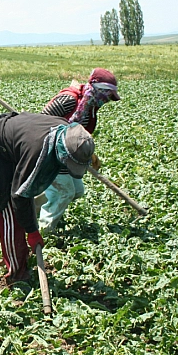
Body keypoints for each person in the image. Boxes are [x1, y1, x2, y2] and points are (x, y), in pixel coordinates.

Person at [0, 112, 95, 282]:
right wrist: (32, 231)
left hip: (15, 146)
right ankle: (16, 273)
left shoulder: (67, 132)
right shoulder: (37, 150)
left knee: (23, 203)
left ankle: (20, 258)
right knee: (8, 211)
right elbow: (19, 196)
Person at [37, 68, 120, 233]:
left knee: (77, 191)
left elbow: (79, 135)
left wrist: (89, 155)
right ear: (99, 90)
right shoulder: (68, 100)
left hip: (67, 156)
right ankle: (44, 232)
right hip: (49, 151)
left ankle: (32, 210)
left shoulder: (90, 107)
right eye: (108, 96)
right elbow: (40, 124)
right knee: (65, 192)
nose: (108, 101)